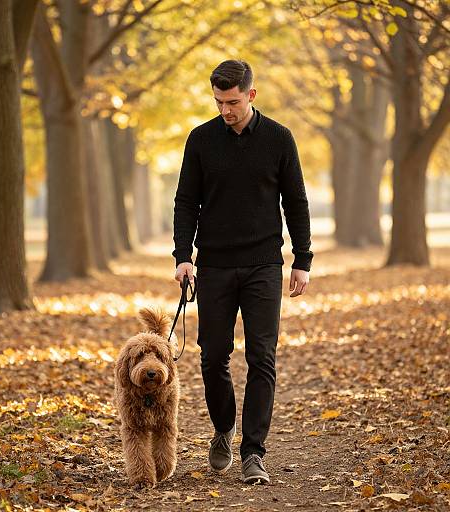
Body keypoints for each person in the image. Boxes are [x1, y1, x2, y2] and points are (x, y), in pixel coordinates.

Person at [172, 59, 313, 484]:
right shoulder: (200, 140)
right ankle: (223, 430)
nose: (225, 110)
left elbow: (297, 202)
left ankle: (254, 452)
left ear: (251, 95)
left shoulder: (279, 138)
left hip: (264, 265)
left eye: (232, 101)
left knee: (261, 358)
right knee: (213, 356)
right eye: (218, 101)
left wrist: (302, 259)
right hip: (213, 264)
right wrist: (183, 256)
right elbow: (185, 202)